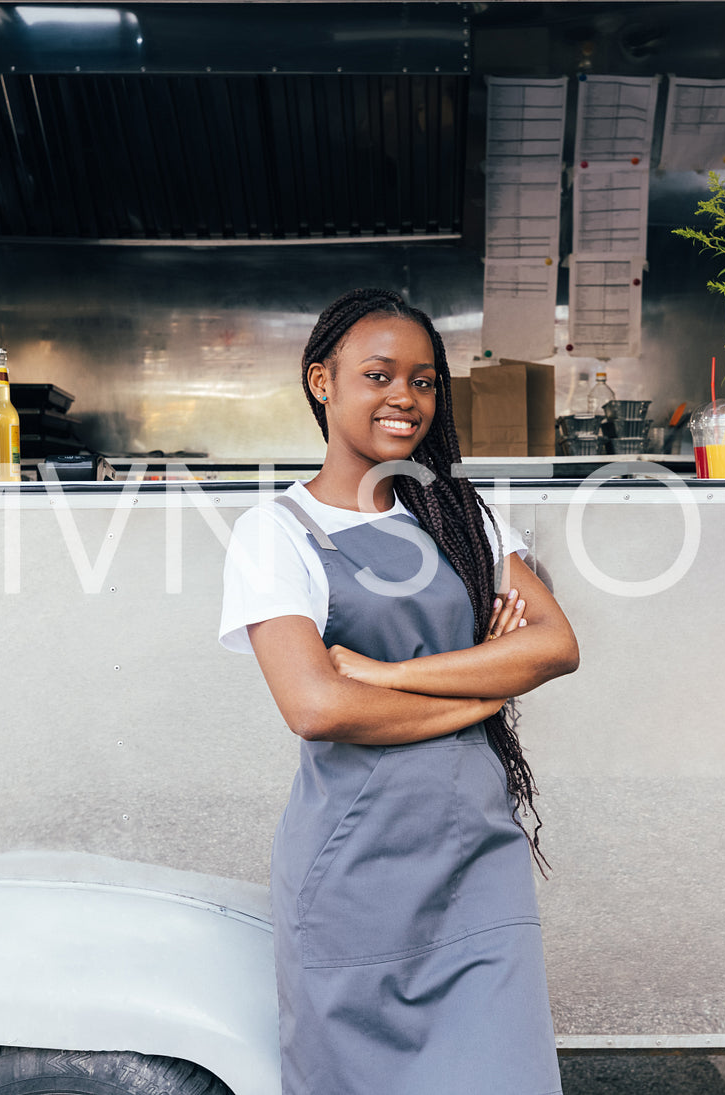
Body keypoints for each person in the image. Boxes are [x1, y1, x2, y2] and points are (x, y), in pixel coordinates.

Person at [219, 288, 580, 1095]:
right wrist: (484, 684)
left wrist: (383, 674)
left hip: (476, 857)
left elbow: (553, 644)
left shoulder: (459, 517)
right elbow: (317, 706)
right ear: (322, 380)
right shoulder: (275, 533)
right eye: (378, 374)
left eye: (423, 381)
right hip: (356, 870)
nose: (404, 399)